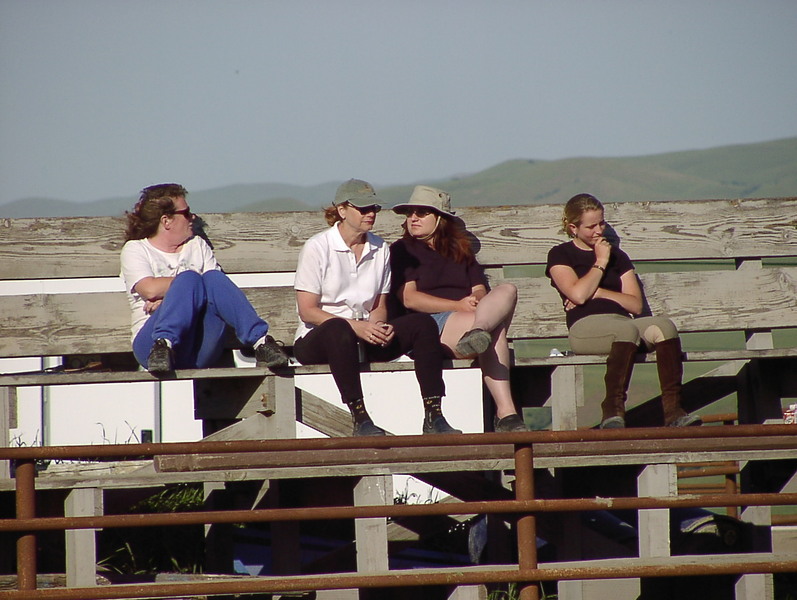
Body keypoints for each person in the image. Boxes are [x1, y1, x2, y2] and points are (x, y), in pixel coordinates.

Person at [293, 179, 461, 437]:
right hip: (320, 338)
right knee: (338, 329)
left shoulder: (380, 247)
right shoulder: (318, 247)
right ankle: (360, 418)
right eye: (363, 208)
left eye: (374, 208)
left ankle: (434, 415)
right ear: (342, 210)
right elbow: (308, 311)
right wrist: (356, 327)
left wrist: (378, 325)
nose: (370, 213)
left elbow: (379, 305)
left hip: (365, 336)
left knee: (423, 324)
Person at [545, 193, 701, 428]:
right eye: (591, 226)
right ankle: (612, 410)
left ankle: (674, 412)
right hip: (586, 328)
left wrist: (599, 292)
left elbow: (635, 305)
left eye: (601, 223)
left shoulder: (618, 256)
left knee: (664, 326)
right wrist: (600, 261)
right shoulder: (561, 254)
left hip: (623, 322)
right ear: (573, 228)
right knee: (626, 331)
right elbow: (578, 295)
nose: (599, 231)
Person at [389, 185, 528, 433]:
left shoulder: (459, 249)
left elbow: (480, 289)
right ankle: (506, 414)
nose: (413, 218)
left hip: (470, 319)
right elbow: (410, 299)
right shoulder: (402, 250)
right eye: (410, 213)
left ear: (440, 218)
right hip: (428, 326)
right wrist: (458, 305)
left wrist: (475, 299)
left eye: (422, 212)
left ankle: (477, 332)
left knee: (507, 289)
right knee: (494, 332)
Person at [120, 183, 288, 373]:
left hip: (199, 346)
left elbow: (215, 289)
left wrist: (171, 299)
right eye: (186, 213)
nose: (192, 217)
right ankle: (164, 343)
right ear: (166, 221)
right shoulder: (136, 249)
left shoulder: (197, 245)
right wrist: (185, 289)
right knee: (190, 279)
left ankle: (261, 343)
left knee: (213, 278)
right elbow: (149, 289)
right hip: (150, 347)